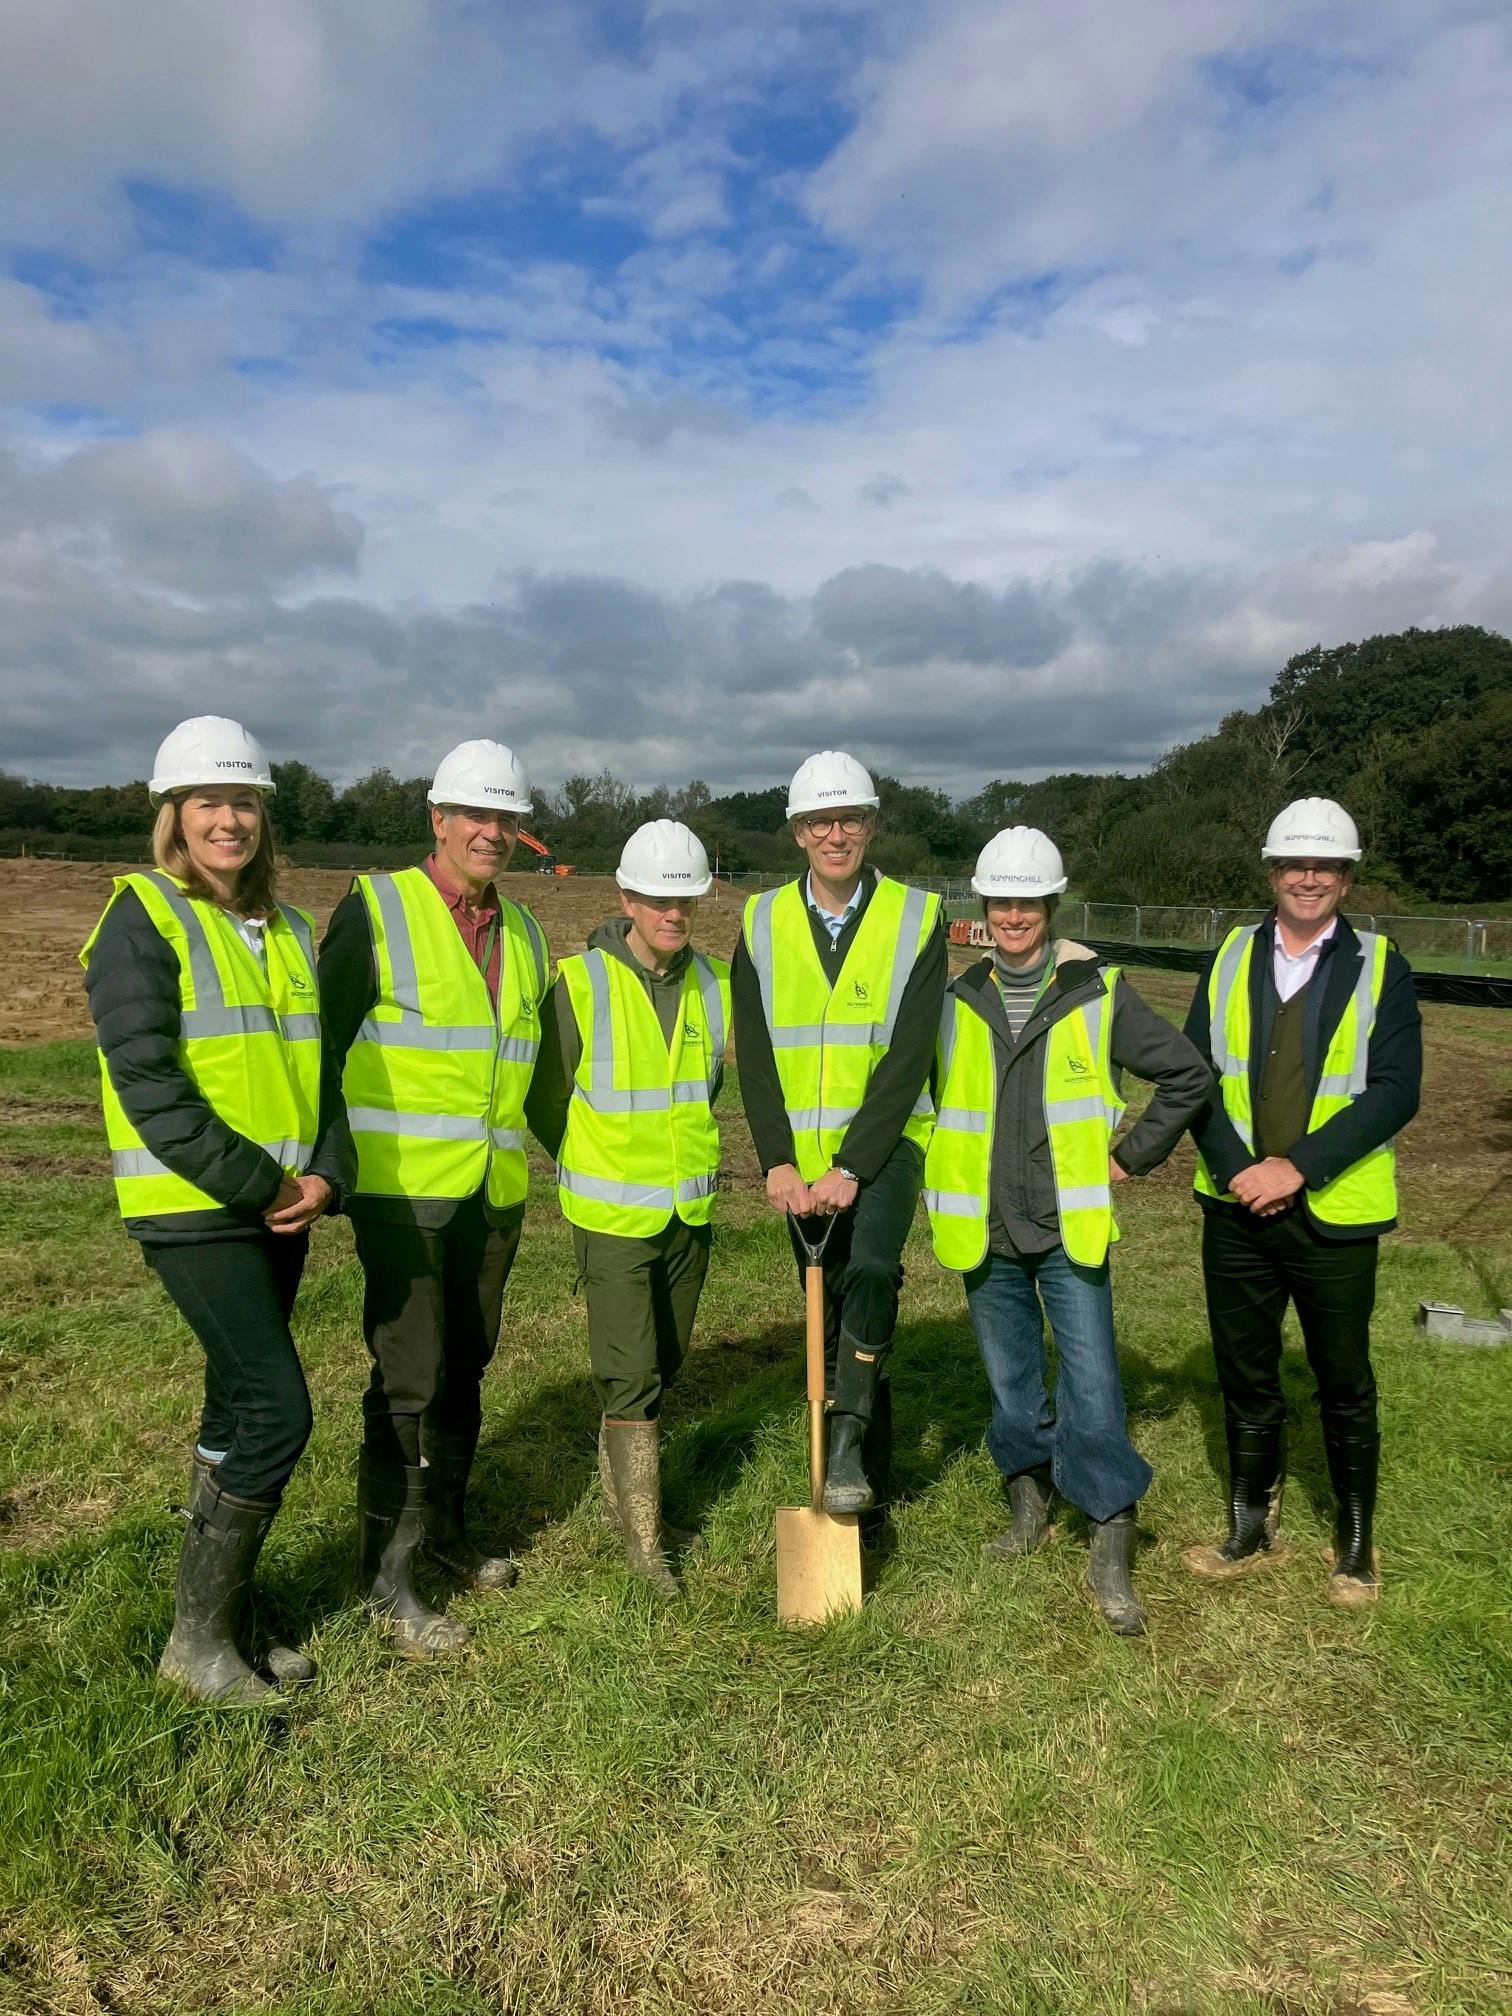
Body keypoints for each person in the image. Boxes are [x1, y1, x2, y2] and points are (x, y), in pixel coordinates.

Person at [80, 716, 352, 1704]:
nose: (228, 820)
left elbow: (314, 1070)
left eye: (242, 803)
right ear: (174, 818)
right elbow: (149, 1084)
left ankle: (224, 1621)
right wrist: (262, 1182)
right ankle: (193, 1645)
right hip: (198, 1209)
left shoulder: (281, 926)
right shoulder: (141, 918)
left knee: (236, 1404)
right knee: (279, 1411)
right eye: (208, 804)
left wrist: (322, 1172)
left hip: (280, 1206)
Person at [923, 828, 1211, 1634]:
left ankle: (1110, 1539)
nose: (1015, 915)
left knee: (1094, 1393)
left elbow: (1188, 1074)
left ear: (1052, 906)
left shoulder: (1100, 991)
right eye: (1002, 901)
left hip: (1066, 1230)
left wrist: (1133, 1157)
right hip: (983, 1231)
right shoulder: (954, 1001)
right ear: (985, 907)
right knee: (1013, 1386)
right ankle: (1029, 1506)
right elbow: (916, 1101)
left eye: (1029, 902)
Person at [318, 739, 549, 1657]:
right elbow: (324, 1047)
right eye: (476, 817)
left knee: (466, 1363)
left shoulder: (524, 933)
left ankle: (445, 1531)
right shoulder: (374, 910)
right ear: (438, 819)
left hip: (491, 1195)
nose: (491, 834)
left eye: (506, 820)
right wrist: (325, 1167)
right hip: (404, 1192)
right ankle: (387, 1575)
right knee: (408, 1375)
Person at [1181, 798, 1422, 1607]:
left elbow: (1394, 1092)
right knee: (1245, 1373)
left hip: (1335, 1215)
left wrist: (1297, 1168)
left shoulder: (1382, 965)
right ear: (1272, 872)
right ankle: (1251, 1527)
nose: (1307, 877)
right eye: (1293, 864)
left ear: (1347, 878)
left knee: (1343, 1378)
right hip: (1234, 1211)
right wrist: (1238, 1168)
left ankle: (1356, 1545)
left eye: (1324, 866)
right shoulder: (1229, 958)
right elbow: (1193, 1077)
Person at [731, 751, 946, 1516]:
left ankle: (848, 1445)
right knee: (830, 1317)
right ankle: (859, 1492)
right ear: (797, 832)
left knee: (874, 1271)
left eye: (849, 818)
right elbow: (754, 1057)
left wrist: (854, 1165)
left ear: (871, 825)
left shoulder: (919, 917)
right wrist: (778, 1164)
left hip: (885, 1145)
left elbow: (910, 1054)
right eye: (821, 820)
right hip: (801, 1163)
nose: (836, 833)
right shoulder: (759, 921)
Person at [526, 821, 730, 1598]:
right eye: (657, 898)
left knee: (668, 1360)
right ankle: (645, 1545)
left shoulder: (711, 983)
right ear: (627, 899)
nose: (673, 912)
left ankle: (626, 1500)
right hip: (611, 1214)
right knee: (631, 1372)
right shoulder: (578, 983)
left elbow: (704, 1088)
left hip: (687, 1210)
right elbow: (548, 1102)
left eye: (686, 899)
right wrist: (593, 1160)